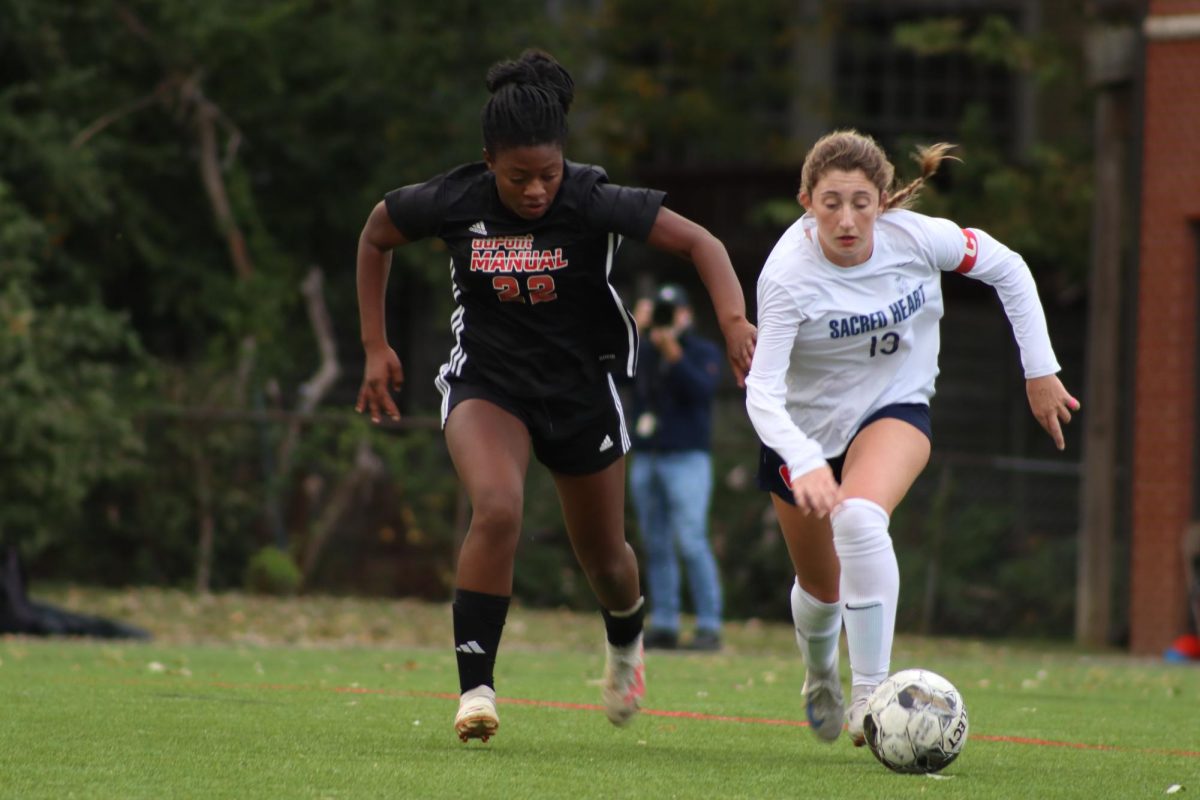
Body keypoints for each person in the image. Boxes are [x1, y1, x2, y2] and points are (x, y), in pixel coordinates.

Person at [354, 49, 755, 743]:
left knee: (605, 557)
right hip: (489, 383)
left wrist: (733, 322)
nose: (536, 190)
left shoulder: (589, 197)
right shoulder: (454, 200)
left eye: (547, 174)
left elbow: (702, 243)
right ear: (488, 163)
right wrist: (373, 345)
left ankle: (625, 645)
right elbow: (375, 234)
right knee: (499, 508)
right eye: (518, 178)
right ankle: (476, 690)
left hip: (578, 390)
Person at [744, 129, 1078, 745]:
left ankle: (872, 696)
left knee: (861, 519)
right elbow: (762, 393)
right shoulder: (787, 276)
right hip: (803, 433)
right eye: (831, 203)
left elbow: (1009, 267)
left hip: (894, 408)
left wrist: (1040, 370)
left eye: (861, 202)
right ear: (805, 201)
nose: (847, 219)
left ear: (884, 200)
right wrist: (805, 460)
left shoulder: (918, 238)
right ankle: (821, 676)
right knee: (821, 591)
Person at [628, 283, 724, 651]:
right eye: (662, 312)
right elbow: (616, 376)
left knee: (691, 539)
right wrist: (634, 332)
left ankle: (709, 625)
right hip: (647, 455)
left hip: (687, 458)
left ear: (688, 315)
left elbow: (702, 391)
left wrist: (673, 353)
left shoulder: (701, 351)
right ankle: (665, 622)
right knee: (655, 542)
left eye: (675, 312)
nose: (669, 320)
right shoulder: (642, 351)